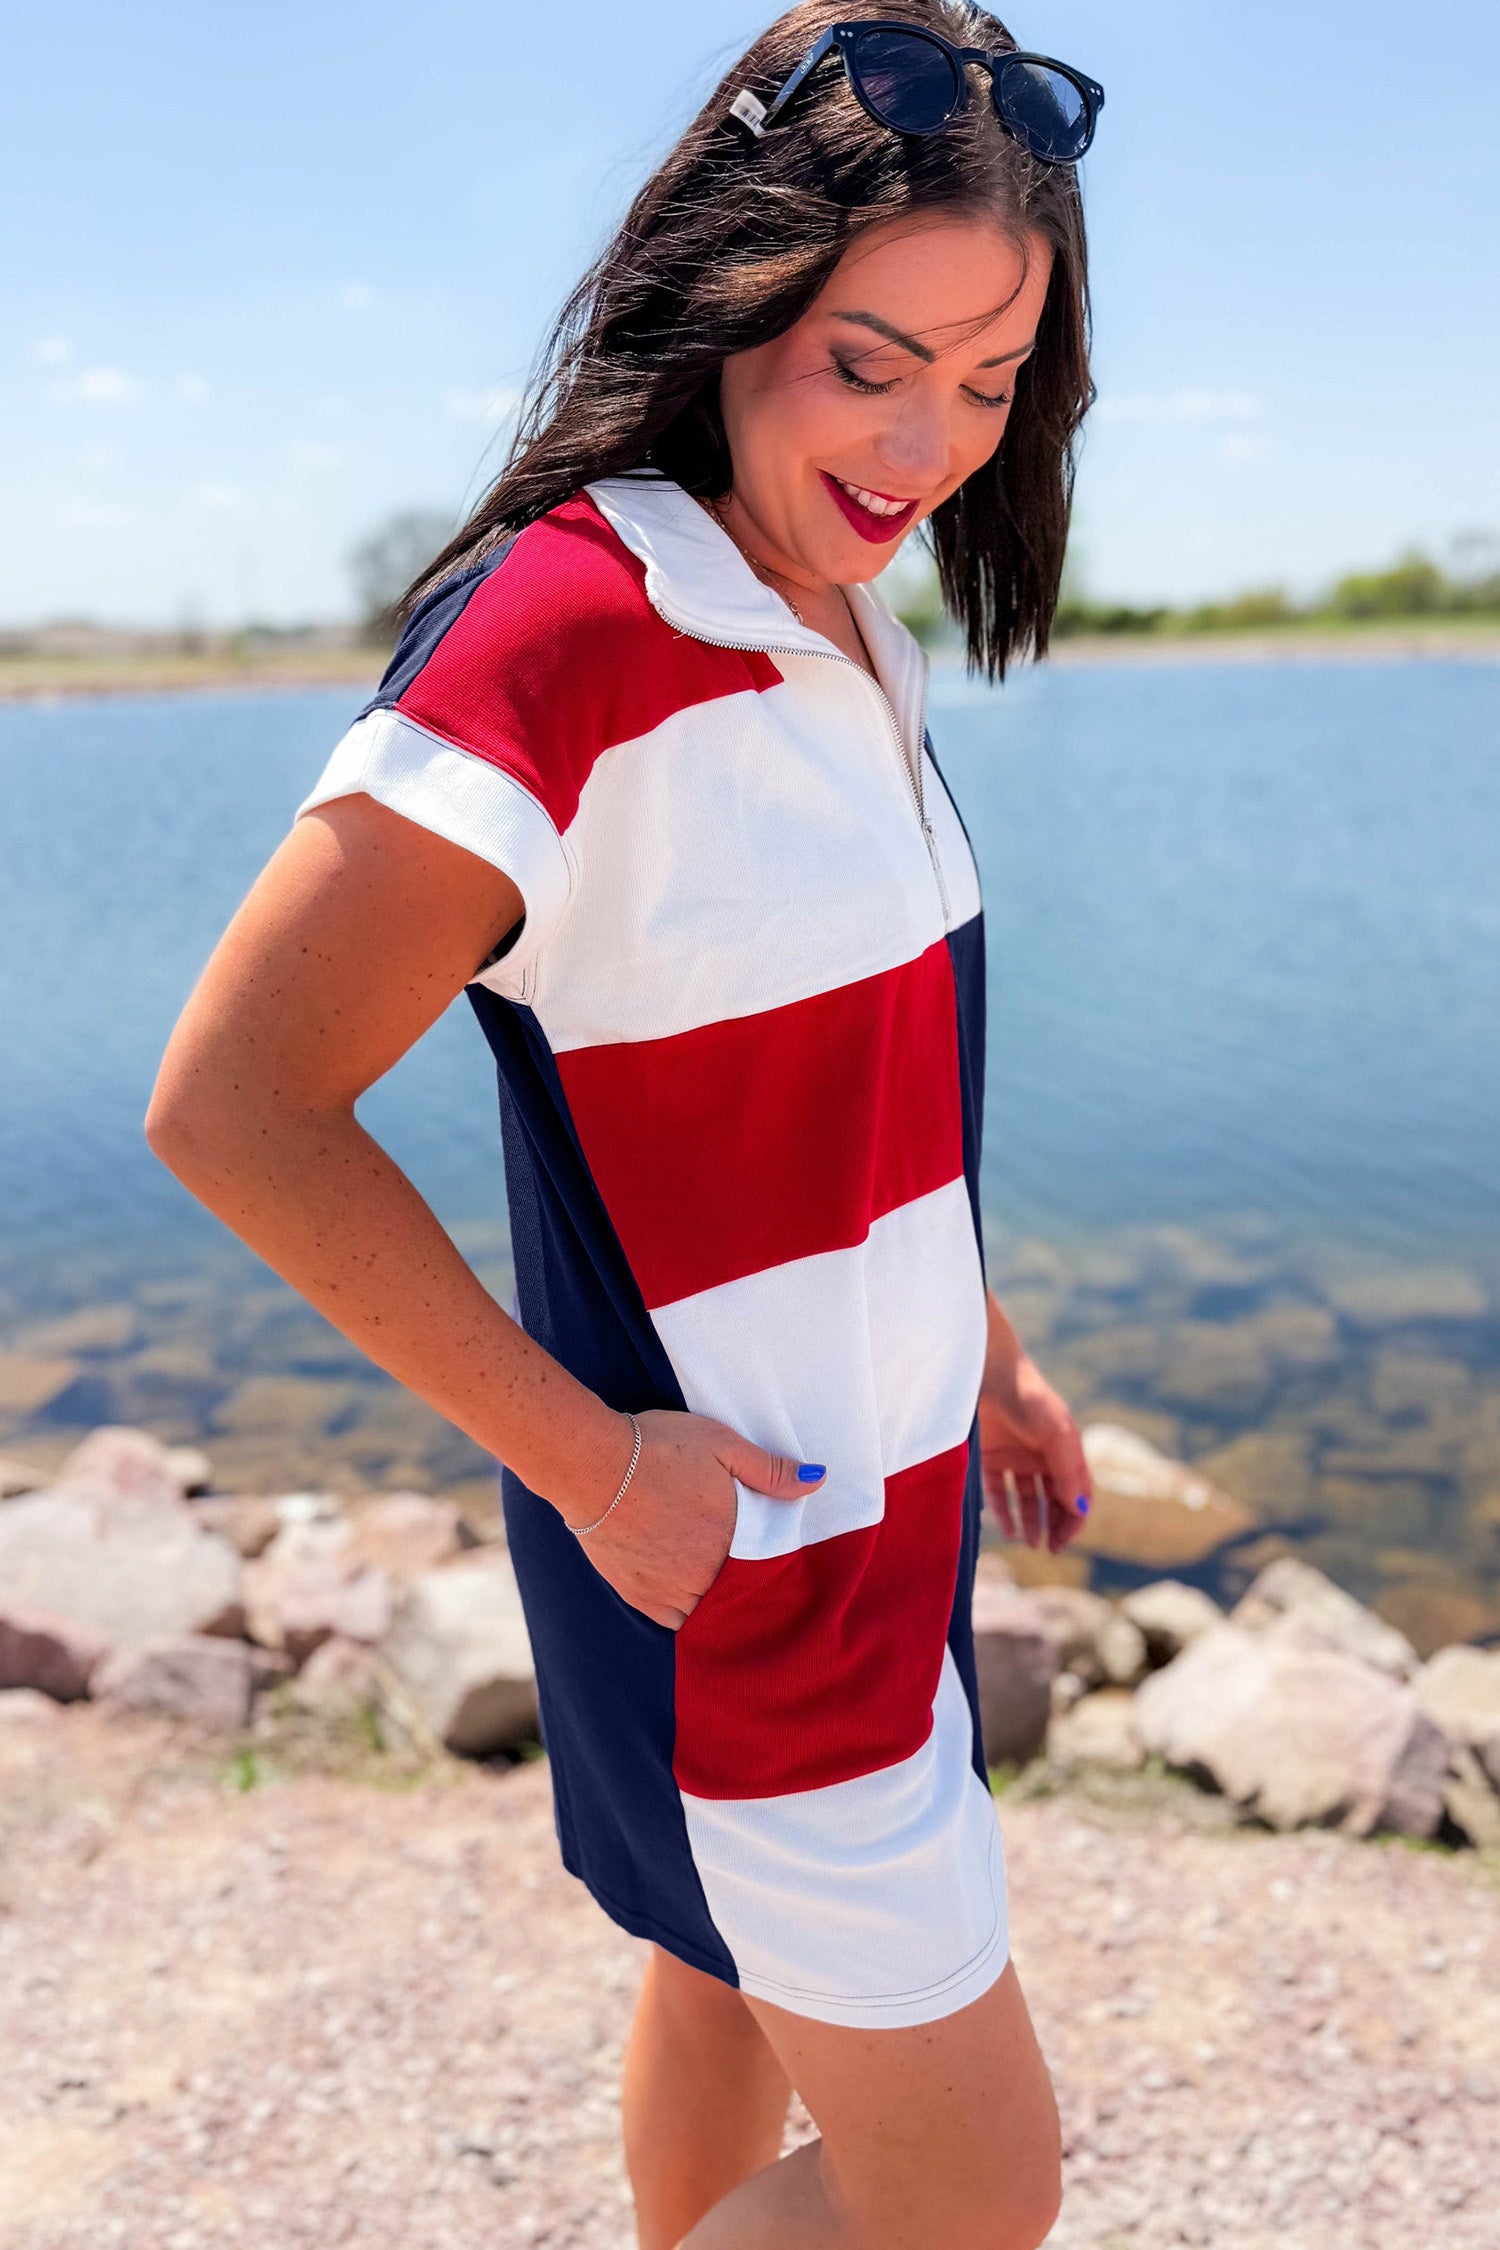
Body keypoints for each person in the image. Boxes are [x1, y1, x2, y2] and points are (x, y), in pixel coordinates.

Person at [147, 4, 1104, 2242]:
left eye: (991, 381)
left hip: (879, 1510)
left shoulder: (834, 623)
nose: (930, 445)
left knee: (720, 1980)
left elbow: (855, 1101)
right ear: (732, 292)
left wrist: (990, 1353)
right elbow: (236, 1106)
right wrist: (590, 1463)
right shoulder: (567, 632)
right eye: (871, 361)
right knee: (977, 2195)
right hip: (749, 1578)